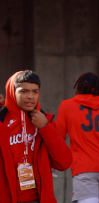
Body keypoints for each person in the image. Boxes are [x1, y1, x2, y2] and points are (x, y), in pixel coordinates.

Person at [0, 70, 72, 202]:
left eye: (35, 91)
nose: (30, 96)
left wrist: (45, 128)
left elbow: (64, 162)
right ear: (12, 92)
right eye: (24, 91)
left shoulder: (45, 121)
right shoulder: (2, 122)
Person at [56, 73, 99, 203]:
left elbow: (57, 139)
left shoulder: (67, 106)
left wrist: (53, 164)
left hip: (83, 168)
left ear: (78, 87)